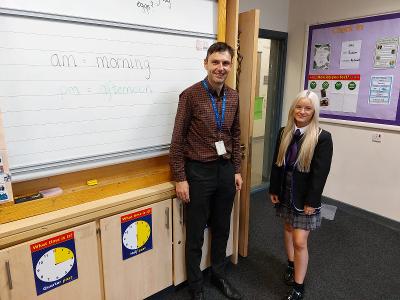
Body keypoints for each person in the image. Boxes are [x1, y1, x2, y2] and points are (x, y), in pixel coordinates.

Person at [170, 42, 243, 300]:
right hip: (198, 173)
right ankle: (196, 286)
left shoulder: (233, 96)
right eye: (215, 62)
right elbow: (177, 140)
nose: (220, 68)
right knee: (196, 232)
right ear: (206, 64)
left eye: (225, 63)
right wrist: (180, 178)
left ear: (230, 66)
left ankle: (219, 276)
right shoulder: (189, 96)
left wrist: (236, 169)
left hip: (225, 171)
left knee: (222, 228)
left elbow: (235, 134)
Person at [269, 90, 333, 300]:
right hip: (285, 190)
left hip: (304, 197)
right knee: (288, 227)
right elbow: (277, 164)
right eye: (299, 107)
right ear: (293, 108)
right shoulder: (284, 132)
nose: (302, 111)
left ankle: (298, 287)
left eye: (307, 108)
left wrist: (312, 202)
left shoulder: (322, 138)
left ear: (314, 111)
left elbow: (320, 174)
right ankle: (291, 264)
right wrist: (273, 189)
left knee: (300, 241)